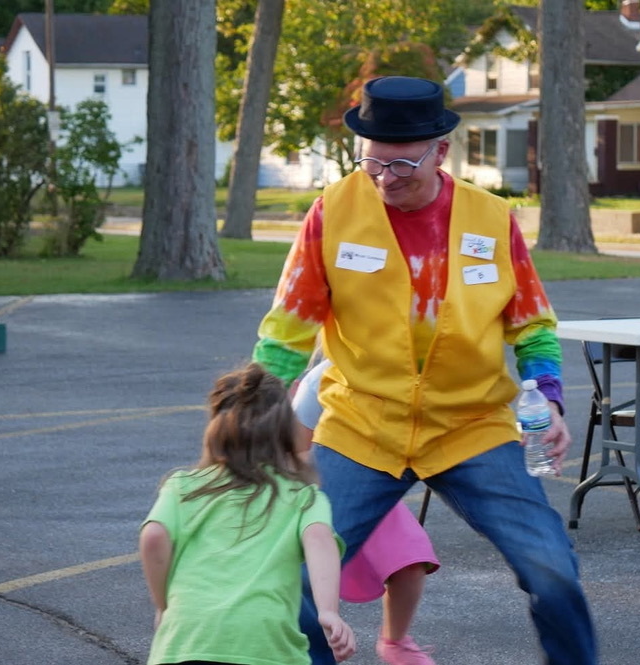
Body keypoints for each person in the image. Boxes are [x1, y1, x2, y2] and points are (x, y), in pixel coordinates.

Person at [252, 75, 597, 665]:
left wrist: (549, 398)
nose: (386, 179)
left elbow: (532, 324)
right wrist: (249, 418)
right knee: (289, 579)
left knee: (555, 574)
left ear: (442, 150)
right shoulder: (331, 213)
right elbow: (288, 328)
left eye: (402, 165)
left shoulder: (492, 219)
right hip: (363, 424)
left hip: (471, 426)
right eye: (373, 165)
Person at [139, 364, 356, 665]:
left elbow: (153, 536)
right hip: (264, 642)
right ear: (284, 431)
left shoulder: (183, 487)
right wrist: (328, 611)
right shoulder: (302, 495)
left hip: (187, 637)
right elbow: (320, 539)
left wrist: (163, 605)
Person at [293, 360, 440, 665]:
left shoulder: (417, 378)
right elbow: (293, 453)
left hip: (378, 481)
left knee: (411, 559)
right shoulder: (322, 380)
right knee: (310, 577)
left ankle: (394, 641)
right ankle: (312, 640)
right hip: (323, 488)